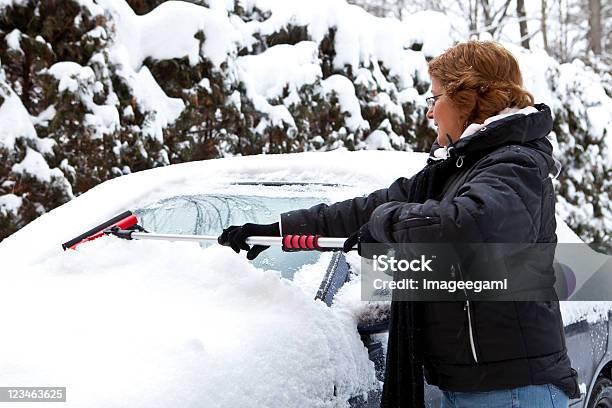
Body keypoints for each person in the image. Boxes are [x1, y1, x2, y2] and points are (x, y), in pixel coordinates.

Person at [218, 41, 579, 408]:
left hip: (510, 389)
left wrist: (384, 224)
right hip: (473, 384)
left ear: (467, 99)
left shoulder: (514, 165)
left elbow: (466, 223)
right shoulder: (459, 169)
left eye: (434, 98)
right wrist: (277, 229)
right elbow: (366, 209)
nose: (429, 113)